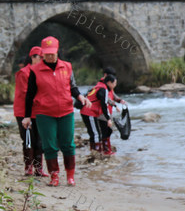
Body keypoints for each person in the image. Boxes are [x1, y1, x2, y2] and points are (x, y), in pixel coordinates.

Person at [21, 36, 90, 186]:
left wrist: (80, 97)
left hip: (66, 110)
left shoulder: (67, 67)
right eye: (46, 54)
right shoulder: (35, 70)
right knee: (49, 145)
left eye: (52, 53)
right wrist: (26, 116)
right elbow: (30, 94)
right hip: (45, 113)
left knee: (68, 144)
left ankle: (70, 176)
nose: (50, 56)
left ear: (57, 52)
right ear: (42, 54)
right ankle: (54, 176)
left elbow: (72, 86)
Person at [13, 46, 47, 177]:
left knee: (39, 140)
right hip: (24, 112)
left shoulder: (42, 72)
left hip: (39, 111)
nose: (43, 60)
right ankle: (28, 167)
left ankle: (39, 168)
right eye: (41, 57)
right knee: (28, 140)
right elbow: (25, 92)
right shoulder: (24, 73)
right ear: (33, 57)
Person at [81, 73, 123, 155]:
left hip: (89, 112)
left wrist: (115, 105)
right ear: (109, 83)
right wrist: (108, 119)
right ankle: (96, 153)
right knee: (95, 133)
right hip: (89, 112)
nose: (115, 85)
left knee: (95, 132)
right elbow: (104, 105)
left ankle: (97, 152)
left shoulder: (99, 86)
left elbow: (106, 101)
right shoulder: (103, 89)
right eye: (114, 83)